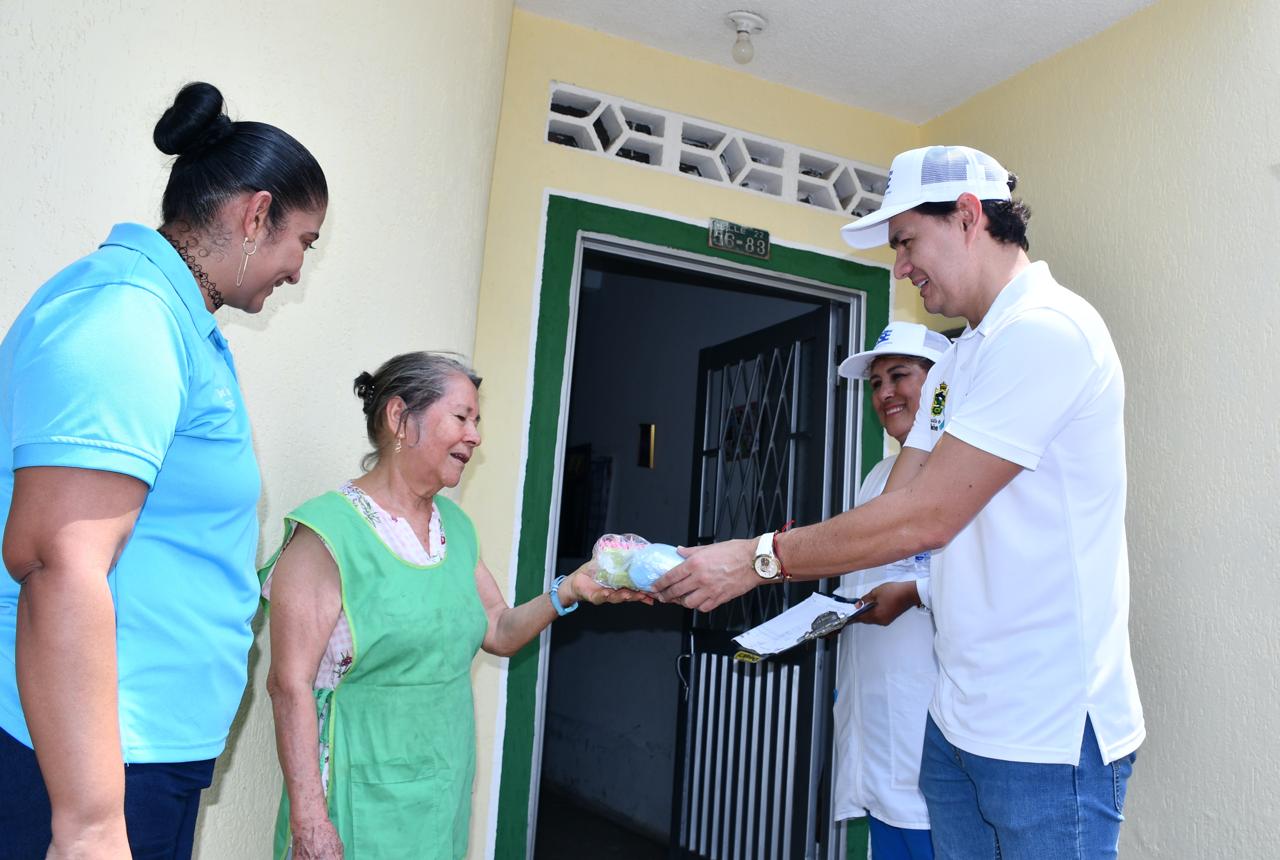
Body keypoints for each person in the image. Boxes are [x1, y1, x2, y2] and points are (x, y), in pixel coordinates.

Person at [654, 145, 1143, 859]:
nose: (900, 268)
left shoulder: (1047, 331)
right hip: (958, 722)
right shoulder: (965, 358)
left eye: (907, 241)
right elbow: (902, 495)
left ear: (969, 217)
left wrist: (757, 560)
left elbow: (925, 516)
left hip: (1047, 733)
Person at [0, 81, 327, 859]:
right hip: (97, 764)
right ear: (256, 215)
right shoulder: (127, 317)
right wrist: (87, 823)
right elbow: (58, 558)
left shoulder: (172, 321)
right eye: (302, 243)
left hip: (141, 749)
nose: (296, 271)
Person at [262, 351, 648, 859]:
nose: (475, 436)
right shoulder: (327, 534)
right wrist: (309, 823)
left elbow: (499, 627)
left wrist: (569, 589)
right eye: (462, 417)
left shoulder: (455, 528)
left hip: (439, 799)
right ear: (400, 417)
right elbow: (288, 685)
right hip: (356, 803)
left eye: (478, 421)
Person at [833, 321, 947, 860]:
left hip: (930, 739)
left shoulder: (964, 472)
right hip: (878, 732)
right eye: (876, 383)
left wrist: (913, 592)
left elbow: (979, 576)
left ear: (942, 383)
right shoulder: (878, 476)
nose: (885, 394)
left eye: (899, 376)